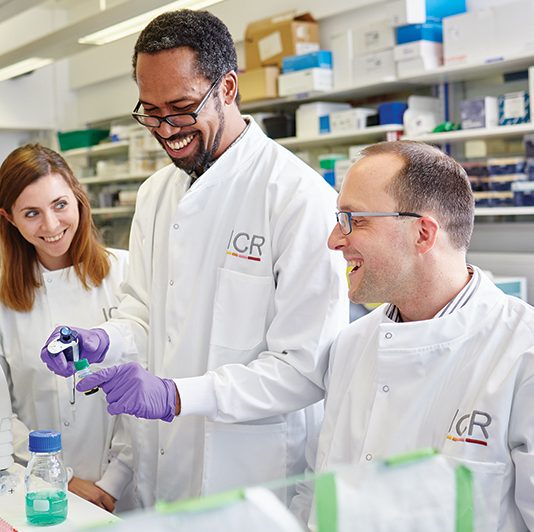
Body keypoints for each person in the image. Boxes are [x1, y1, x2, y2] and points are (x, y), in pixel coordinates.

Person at [40, 10, 349, 510]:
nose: (165, 128)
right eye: (150, 110)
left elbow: (303, 368)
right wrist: (103, 339)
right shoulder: (155, 193)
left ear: (227, 88)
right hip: (160, 466)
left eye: (181, 107)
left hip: (248, 475)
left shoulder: (297, 197)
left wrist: (176, 396)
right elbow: (143, 315)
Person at [306, 141, 534, 530]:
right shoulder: (351, 344)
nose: (334, 239)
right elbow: (318, 493)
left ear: (423, 234)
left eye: (354, 220)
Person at [0, 144, 134, 512]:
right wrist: (62, 478)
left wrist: (114, 482)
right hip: (39, 488)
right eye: (31, 213)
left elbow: (149, 383)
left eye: (60, 205)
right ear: (8, 218)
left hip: (127, 489)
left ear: (78, 198)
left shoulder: (126, 273)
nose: (51, 225)